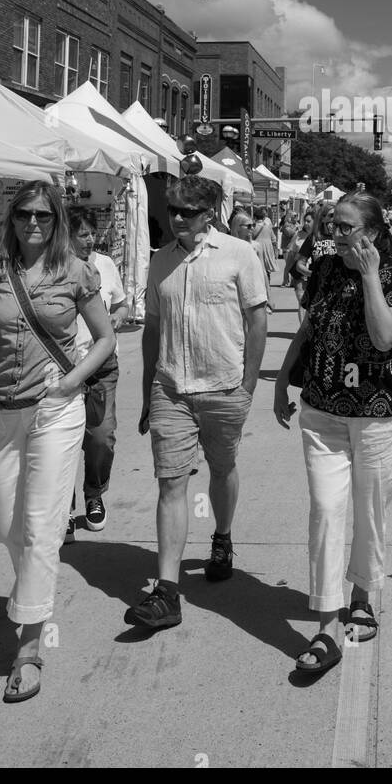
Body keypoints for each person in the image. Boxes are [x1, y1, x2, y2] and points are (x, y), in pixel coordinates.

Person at [0, 182, 115, 703]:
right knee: (4, 519)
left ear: (57, 221)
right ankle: (29, 588)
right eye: (24, 214)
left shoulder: (76, 270)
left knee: (43, 524)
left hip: (55, 408)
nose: (33, 224)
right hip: (1, 408)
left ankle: (28, 645)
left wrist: (73, 381)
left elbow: (106, 338)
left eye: (44, 216)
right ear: (12, 218)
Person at [274, 191, 392, 675]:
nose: (335, 235)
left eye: (346, 228)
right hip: (322, 411)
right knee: (327, 512)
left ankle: (362, 595)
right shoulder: (326, 267)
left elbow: (383, 337)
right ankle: (326, 628)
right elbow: (310, 326)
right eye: (333, 226)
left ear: (371, 233)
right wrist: (281, 378)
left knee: (369, 514)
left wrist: (371, 273)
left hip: (375, 416)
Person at [125, 176, 267, 631]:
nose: (177, 218)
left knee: (222, 469)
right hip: (170, 387)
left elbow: (257, 319)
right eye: (173, 210)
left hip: (223, 386)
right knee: (170, 482)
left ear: (209, 213)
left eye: (187, 211)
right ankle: (166, 592)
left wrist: (247, 384)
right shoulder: (160, 261)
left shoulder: (238, 254)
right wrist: (149, 388)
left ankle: (222, 538)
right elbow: (152, 327)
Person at [64, 207, 128, 541]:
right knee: (63, 441)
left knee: (101, 437)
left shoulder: (104, 264)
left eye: (92, 234)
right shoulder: (53, 268)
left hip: (101, 366)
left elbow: (121, 303)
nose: (90, 240)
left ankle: (94, 494)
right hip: (61, 368)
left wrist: (116, 317)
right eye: (82, 235)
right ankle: (63, 506)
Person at [285, 211, 315, 312]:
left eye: (308, 221)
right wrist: (286, 272)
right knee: (302, 303)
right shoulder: (298, 235)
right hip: (299, 274)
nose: (306, 223)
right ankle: (302, 327)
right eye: (305, 221)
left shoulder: (320, 237)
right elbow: (291, 255)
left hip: (314, 274)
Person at [251, 206, 277, 283]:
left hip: (256, 249)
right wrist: (275, 250)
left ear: (255, 217)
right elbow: (274, 239)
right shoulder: (268, 226)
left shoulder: (253, 227)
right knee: (266, 268)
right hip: (267, 249)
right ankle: (267, 283)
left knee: (257, 267)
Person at [279, 206, 299, 283]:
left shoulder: (296, 224)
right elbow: (289, 233)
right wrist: (296, 228)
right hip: (287, 248)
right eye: (294, 216)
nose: (296, 217)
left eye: (297, 215)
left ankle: (292, 281)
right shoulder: (286, 225)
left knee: (293, 265)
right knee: (288, 266)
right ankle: (285, 281)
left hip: (294, 248)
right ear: (290, 217)